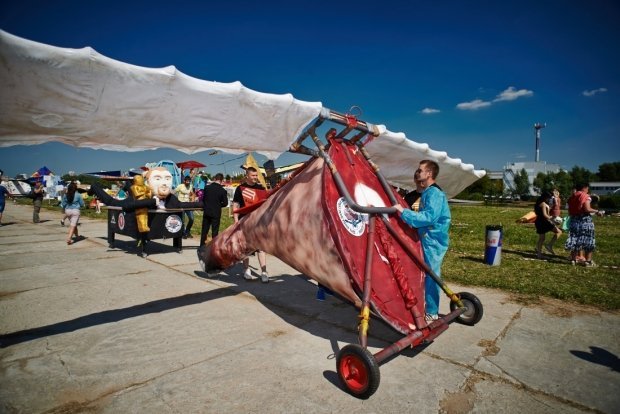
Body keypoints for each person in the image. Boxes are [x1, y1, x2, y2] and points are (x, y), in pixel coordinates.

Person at [392, 160, 451, 321]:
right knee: (420, 273)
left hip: (433, 241)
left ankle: (432, 311)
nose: (417, 173)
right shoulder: (426, 193)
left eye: (420, 170)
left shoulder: (435, 194)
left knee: (431, 275)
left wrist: (403, 212)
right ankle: (420, 305)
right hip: (425, 238)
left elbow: (429, 217)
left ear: (429, 174)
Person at [233, 167, 269, 283]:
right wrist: (236, 221)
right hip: (244, 222)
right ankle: (246, 270)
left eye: (256, 175)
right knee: (246, 248)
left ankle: (264, 272)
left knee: (260, 248)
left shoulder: (260, 188)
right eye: (253, 175)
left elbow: (266, 205)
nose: (255, 177)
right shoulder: (240, 189)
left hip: (258, 222)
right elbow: (236, 205)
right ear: (247, 175)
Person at [565, 183, 603, 267]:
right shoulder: (586, 196)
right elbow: (587, 208)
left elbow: (569, 211)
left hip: (574, 220)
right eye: (587, 188)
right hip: (585, 221)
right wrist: (597, 211)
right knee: (589, 240)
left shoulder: (572, 197)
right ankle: (588, 262)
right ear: (584, 188)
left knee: (575, 240)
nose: (588, 190)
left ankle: (573, 260)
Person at [200, 173, 229, 246]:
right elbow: (225, 203)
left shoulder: (207, 188)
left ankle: (201, 245)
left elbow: (203, 199)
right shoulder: (222, 190)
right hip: (216, 212)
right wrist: (218, 205)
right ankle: (213, 247)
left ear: (215, 179)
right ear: (221, 180)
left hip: (207, 211)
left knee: (204, 230)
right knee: (215, 231)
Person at [534, 190, 562, 257]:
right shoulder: (543, 204)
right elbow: (545, 215)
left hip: (541, 221)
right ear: (545, 197)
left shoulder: (540, 203)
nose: (549, 198)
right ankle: (540, 252)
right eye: (549, 197)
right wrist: (553, 219)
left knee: (558, 232)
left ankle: (545, 248)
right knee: (542, 238)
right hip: (542, 222)